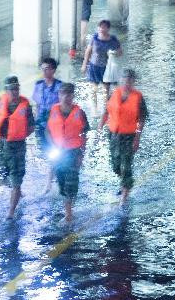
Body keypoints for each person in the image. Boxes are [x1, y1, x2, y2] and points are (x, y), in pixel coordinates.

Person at [98, 69, 147, 206]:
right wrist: (100, 127)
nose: (127, 82)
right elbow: (106, 111)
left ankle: (124, 196)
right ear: (120, 80)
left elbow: (141, 119)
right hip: (113, 135)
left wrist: (137, 137)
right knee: (115, 165)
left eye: (130, 80)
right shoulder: (114, 94)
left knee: (126, 165)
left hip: (129, 136)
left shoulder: (138, 98)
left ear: (133, 82)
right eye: (124, 79)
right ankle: (125, 182)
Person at [0, 76, 35, 219]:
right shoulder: (0, 102)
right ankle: (18, 190)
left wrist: (19, 135)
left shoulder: (25, 105)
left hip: (17, 146)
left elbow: (31, 126)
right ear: (6, 91)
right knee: (4, 174)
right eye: (12, 89)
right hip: (2, 144)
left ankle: (11, 212)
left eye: (17, 88)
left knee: (16, 178)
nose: (15, 92)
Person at [46, 82, 89, 223]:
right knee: (62, 182)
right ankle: (68, 207)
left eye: (69, 94)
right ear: (59, 95)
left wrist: (82, 154)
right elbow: (47, 130)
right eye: (63, 94)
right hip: (58, 152)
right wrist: (51, 146)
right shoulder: (52, 111)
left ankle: (69, 214)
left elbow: (84, 134)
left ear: (72, 95)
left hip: (73, 152)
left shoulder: (80, 113)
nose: (65, 97)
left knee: (71, 183)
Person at [32, 57, 63, 193]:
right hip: (41, 126)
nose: (44, 72)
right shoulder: (38, 85)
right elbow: (37, 106)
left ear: (53, 70)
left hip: (55, 127)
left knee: (53, 152)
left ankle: (49, 183)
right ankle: (55, 172)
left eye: (47, 69)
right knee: (48, 153)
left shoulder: (60, 87)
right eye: (42, 69)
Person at [81, 20, 122, 102]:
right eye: (100, 27)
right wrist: (84, 65)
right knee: (93, 89)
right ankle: (94, 110)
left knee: (106, 89)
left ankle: (105, 108)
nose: (101, 29)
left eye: (104, 27)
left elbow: (120, 52)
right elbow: (88, 51)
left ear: (108, 28)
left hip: (106, 68)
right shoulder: (95, 38)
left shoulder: (113, 39)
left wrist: (113, 53)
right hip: (94, 66)